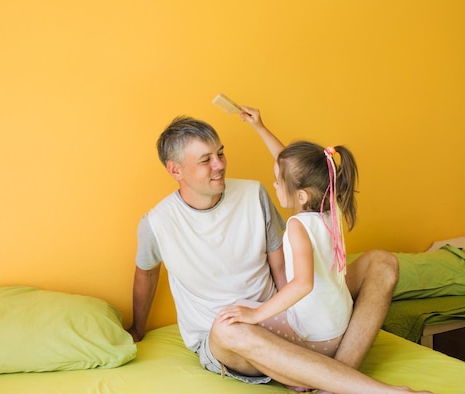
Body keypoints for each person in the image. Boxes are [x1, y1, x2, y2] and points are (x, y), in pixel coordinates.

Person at [128, 114, 429, 393]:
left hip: (282, 315)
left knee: (382, 262)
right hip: (233, 336)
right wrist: (138, 329)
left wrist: (303, 318)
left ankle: (334, 378)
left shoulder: (253, 194)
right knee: (228, 328)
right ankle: (363, 386)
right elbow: (147, 273)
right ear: (175, 169)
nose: (219, 164)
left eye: (220, 153)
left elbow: (284, 270)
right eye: (206, 160)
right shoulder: (157, 223)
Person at [219, 107, 356, 375]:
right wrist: (259, 126)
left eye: (279, 182)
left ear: (302, 195)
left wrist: (256, 316)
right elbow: (290, 165)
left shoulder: (298, 225)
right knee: (244, 311)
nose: (274, 184)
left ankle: (295, 375)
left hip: (317, 337)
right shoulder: (332, 206)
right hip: (341, 323)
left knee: (235, 319)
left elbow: (303, 283)